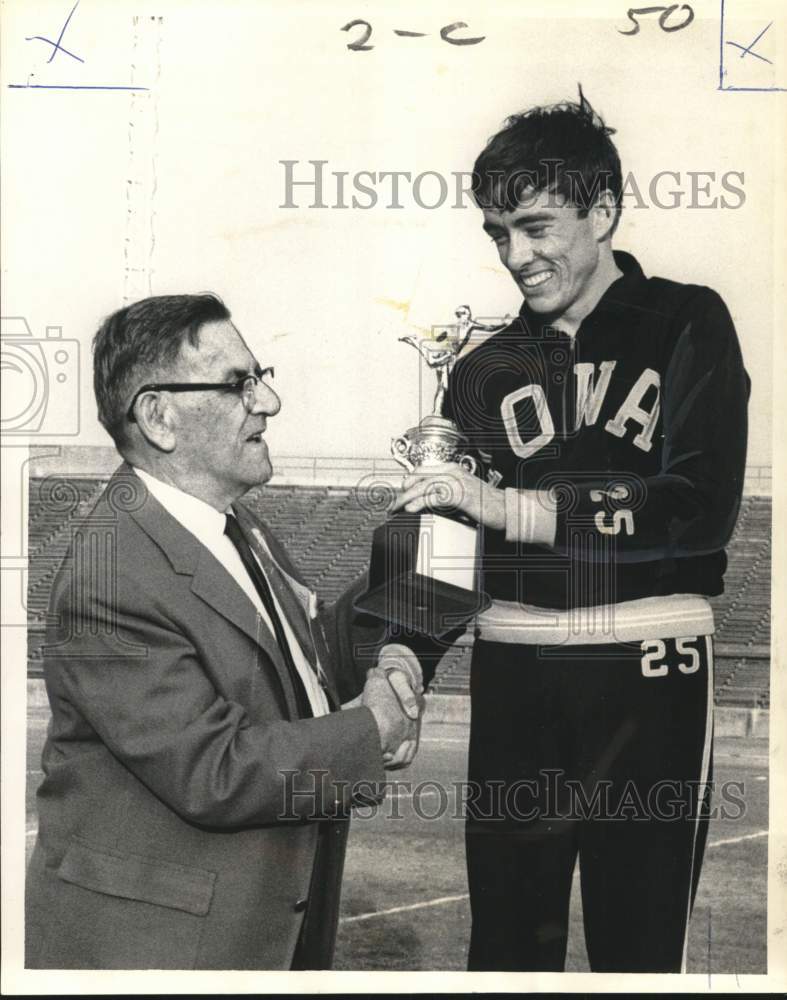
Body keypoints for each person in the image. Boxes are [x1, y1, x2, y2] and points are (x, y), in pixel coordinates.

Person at [392, 89, 750, 972]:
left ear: (602, 210)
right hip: (516, 673)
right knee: (507, 949)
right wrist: (403, 654)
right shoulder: (480, 370)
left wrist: (517, 509)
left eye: (537, 225)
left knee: (639, 948)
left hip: (648, 673)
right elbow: (447, 539)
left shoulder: (687, 320)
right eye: (497, 234)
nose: (516, 255)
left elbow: (699, 504)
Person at [25, 293, 424, 970]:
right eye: (239, 383)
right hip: (159, 954)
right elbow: (213, 772)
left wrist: (410, 566)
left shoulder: (234, 525)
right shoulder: (111, 574)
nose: (267, 401)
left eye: (259, 376)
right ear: (159, 417)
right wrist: (373, 728)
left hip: (256, 931)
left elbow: (305, 658)